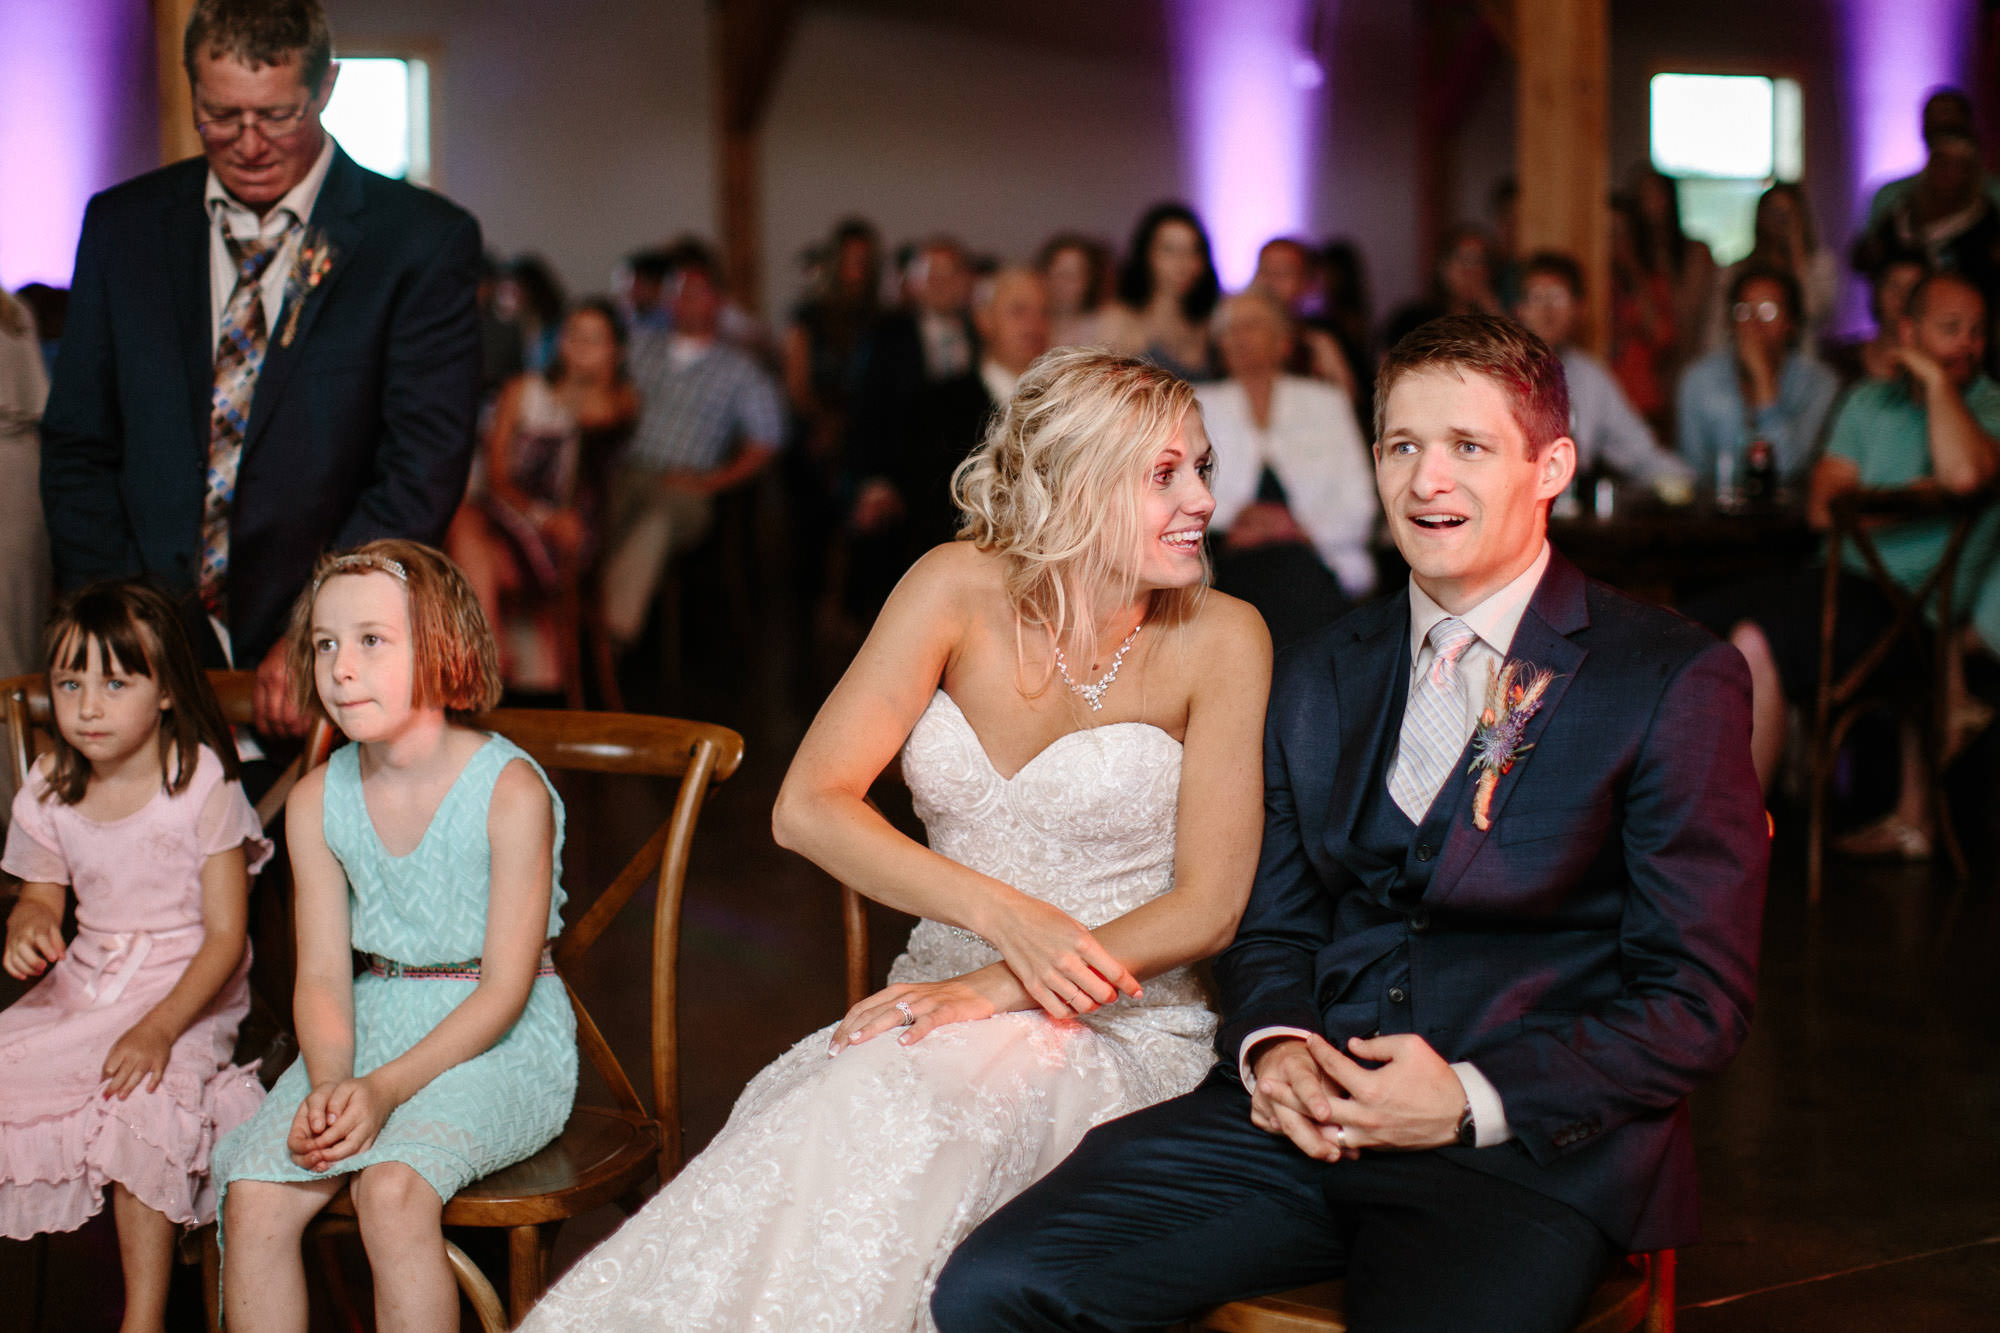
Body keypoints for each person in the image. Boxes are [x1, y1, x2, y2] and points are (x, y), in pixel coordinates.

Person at [934, 314, 1769, 1332]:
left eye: (1467, 446)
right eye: (1400, 446)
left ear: (1550, 464)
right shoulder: (1319, 668)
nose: (1426, 481)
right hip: (1295, 1127)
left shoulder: (1665, 677)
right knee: (996, 1287)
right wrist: (1276, 1047)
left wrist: (1468, 1094)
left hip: (1516, 1154)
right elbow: (1273, 925)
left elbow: (1695, 1000)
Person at [519, 348, 1271, 1332]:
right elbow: (809, 805)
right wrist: (1001, 922)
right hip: (934, 988)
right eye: (1162, 473)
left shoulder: (1223, 637)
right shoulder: (951, 587)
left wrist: (1005, 982)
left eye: (1202, 468)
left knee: (916, 1126)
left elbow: (1208, 906)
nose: (1201, 502)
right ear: (1070, 482)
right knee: (829, 1128)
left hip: (1118, 1021)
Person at [39, 0, 482, 739]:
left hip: (318, 664)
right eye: (220, 115)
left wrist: (324, 623)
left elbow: (420, 466)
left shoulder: (419, 243)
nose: (248, 143)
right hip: (146, 652)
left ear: (327, 87)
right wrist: (124, 620)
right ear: (191, 89)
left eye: (277, 116)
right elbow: (80, 442)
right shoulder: (124, 226)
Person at [212, 540, 577, 1333]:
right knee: (254, 1197)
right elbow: (320, 977)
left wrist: (381, 1092)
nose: (341, 667)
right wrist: (334, 1080)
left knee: (390, 1188)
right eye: (324, 644)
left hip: (496, 1035)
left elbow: (506, 988)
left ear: (442, 647)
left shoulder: (509, 791)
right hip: (364, 1029)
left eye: (372, 640)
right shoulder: (316, 800)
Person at [0, 581, 269, 1332]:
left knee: (140, 1105)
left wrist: (159, 1027)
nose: (87, 704)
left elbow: (225, 937)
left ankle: (140, 1319)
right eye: (69, 682)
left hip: (188, 986)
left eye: (116, 682)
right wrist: (29, 923)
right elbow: (42, 893)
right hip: (87, 984)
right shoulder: (52, 784)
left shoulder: (199, 784)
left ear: (165, 694)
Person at [1704, 272, 2000, 859]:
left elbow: (1964, 475)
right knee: (1682, 626)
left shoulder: (1989, 405)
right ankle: (1692, 838)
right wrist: (1915, 495)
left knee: (1755, 640)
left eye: (1977, 332)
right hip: (1834, 587)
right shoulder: (1868, 400)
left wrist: (1937, 378)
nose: (1967, 343)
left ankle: (1726, 859)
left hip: (1916, 620)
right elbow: (1821, 507)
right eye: (1949, 330)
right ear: (1909, 332)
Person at [447, 299, 637, 691]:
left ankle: (486, 662)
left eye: (594, 339)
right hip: (509, 511)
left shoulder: (622, 399)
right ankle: (493, 655)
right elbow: (497, 473)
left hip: (570, 531)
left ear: (616, 351)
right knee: (463, 526)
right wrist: (537, 514)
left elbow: (594, 415)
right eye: (574, 335)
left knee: (461, 547)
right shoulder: (522, 389)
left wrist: (587, 379)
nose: (581, 347)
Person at [598, 250, 784, 651]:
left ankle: (607, 631)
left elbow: (767, 439)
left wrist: (714, 481)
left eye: (695, 293)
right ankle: (569, 622)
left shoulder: (738, 369)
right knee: (595, 513)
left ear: (716, 300)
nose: (684, 301)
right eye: (676, 293)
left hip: (686, 482)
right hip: (626, 468)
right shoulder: (639, 348)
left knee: (658, 521)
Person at [851, 268, 1053, 597]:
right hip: (966, 577)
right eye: (1018, 311)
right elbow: (930, 508)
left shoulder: (1064, 405)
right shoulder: (937, 406)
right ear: (984, 320)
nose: (1034, 324)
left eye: (1043, 313)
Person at [1198, 289, 1376, 648]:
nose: (1238, 337)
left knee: (1297, 582)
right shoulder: (1197, 402)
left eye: (1251, 326)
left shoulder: (1325, 402)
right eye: (1229, 329)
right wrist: (1238, 522)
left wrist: (1297, 529)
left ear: (1283, 341)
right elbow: (1178, 496)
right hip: (1227, 560)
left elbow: (1361, 504)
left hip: (1316, 557)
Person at [1512, 251, 1694, 495]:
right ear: (1519, 309)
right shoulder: (1496, 374)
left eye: (1557, 297)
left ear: (1579, 309)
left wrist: (1690, 483)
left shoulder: (1591, 378)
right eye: (1536, 297)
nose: (1547, 309)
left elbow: (1639, 452)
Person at [1677, 266, 1841, 490]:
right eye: (1743, 311)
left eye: (1768, 311)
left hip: (1790, 518)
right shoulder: (1699, 380)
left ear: (1791, 324)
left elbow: (1787, 469)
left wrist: (1763, 384)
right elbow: (1693, 474)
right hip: (1715, 517)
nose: (1754, 324)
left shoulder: (1818, 384)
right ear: (1730, 324)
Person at [1, 285, 50, 819]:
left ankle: (20, 813)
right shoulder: (14, 308)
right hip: (24, 478)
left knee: (11, 659)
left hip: (10, 489)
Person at [1705, 183, 1840, 350]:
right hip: (1739, 364)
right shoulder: (1733, 272)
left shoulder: (1819, 266)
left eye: (1786, 215)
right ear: (1760, 216)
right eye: (1773, 212)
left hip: (1799, 364)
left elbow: (1812, 311)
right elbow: (1716, 329)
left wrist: (1797, 251)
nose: (1779, 222)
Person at [1098, 202, 1223, 381]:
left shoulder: (1212, 321)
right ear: (1146, 255)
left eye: (1193, 251)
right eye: (1169, 250)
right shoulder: (1121, 321)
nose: (1183, 263)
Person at [1253, 236, 1361, 400]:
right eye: (1264, 270)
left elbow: (1346, 402)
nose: (1270, 281)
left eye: (1283, 272)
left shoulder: (1319, 344)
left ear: (1305, 283)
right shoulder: (1231, 338)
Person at [1382, 224, 1503, 353]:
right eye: (1464, 260)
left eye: (1480, 261)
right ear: (1443, 267)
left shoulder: (1490, 321)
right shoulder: (1412, 320)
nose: (1471, 272)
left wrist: (1493, 311)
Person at [1036, 232, 1112, 349]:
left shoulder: (1107, 327)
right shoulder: (1030, 328)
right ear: (1043, 277)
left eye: (1074, 275)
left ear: (1089, 281)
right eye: (1059, 274)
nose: (1065, 282)